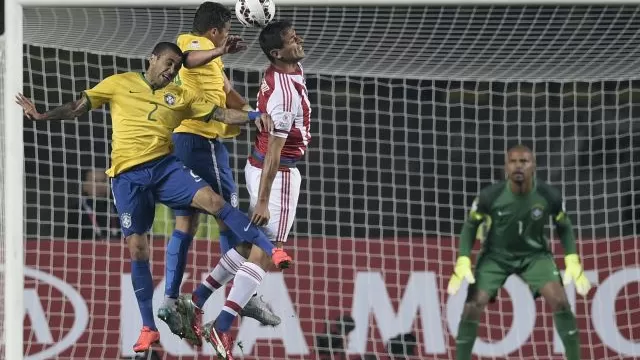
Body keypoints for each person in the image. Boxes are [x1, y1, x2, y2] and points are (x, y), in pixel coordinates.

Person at [15, 41, 292, 353]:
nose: (171, 70)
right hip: (127, 178)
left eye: (176, 66)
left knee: (215, 202)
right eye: (168, 63)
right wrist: (41, 116)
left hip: (164, 168)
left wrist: (256, 115)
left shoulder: (181, 94)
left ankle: (271, 249)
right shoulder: (119, 83)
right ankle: (148, 328)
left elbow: (222, 114)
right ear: (153, 59)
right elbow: (79, 106)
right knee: (138, 249)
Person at [189, 19, 310, 359]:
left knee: (247, 244)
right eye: (291, 39)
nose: (298, 40)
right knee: (267, 249)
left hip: (258, 166)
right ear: (276, 52)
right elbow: (275, 150)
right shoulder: (284, 94)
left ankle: (196, 300)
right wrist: (264, 201)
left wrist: (268, 17)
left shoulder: (286, 68)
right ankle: (222, 327)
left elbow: (284, 45)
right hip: (278, 173)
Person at [158, 2, 279, 343]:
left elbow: (227, 92)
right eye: (225, 31)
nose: (228, 36)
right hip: (202, 139)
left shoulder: (213, 60)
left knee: (187, 222)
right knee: (227, 217)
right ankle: (245, 296)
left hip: (184, 141)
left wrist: (253, 113)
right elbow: (187, 58)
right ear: (215, 31)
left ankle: (170, 299)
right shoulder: (193, 44)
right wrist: (220, 49)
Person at [446, 144, 592, 360]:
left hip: (535, 256)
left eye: (523, 161)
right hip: (495, 257)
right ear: (506, 167)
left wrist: (572, 259)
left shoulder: (548, 195)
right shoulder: (489, 196)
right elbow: (470, 227)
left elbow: (564, 225)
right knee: (473, 306)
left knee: (560, 301)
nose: (518, 166)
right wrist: (463, 260)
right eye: (513, 161)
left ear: (533, 166)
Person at [62, 168, 120, 240]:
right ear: (85, 186)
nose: (100, 185)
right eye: (95, 181)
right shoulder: (75, 212)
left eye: (103, 181)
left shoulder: (118, 209)